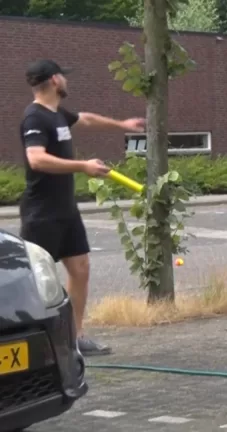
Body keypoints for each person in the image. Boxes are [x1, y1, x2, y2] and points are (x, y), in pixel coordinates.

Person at [19, 59, 146, 356]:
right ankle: (35, 344)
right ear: (54, 80)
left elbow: (85, 119)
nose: (67, 81)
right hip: (42, 213)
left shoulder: (57, 114)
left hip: (65, 210)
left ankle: (74, 338)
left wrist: (122, 125)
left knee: (81, 268)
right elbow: (36, 159)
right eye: (64, 76)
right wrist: (82, 166)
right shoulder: (34, 118)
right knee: (37, 279)